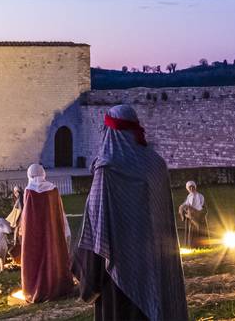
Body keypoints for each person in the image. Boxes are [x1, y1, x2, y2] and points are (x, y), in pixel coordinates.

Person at [74, 104, 188, 321]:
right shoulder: (156, 164)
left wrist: (90, 276)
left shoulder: (107, 170)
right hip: (154, 261)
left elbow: (97, 224)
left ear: (110, 132)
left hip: (118, 270)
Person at [19, 163, 74, 303]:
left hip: (34, 235)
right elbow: (59, 212)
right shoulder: (52, 189)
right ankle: (57, 286)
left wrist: (23, 231)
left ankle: (36, 288)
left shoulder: (29, 191)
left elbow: (26, 216)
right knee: (53, 254)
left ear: (30, 175)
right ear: (43, 173)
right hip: (52, 232)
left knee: (35, 258)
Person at [178, 180, 207, 247]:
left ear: (195, 187)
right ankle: (192, 245)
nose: (191, 188)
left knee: (199, 228)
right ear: (188, 189)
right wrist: (183, 207)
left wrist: (195, 212)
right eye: (190, 187)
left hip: (198, 214)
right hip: (191, 215)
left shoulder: (200, 196)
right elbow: (185, 204)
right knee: (183, 207)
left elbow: (201, 205)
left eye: (192, 187)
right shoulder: (189, 196)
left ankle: (202, 245)